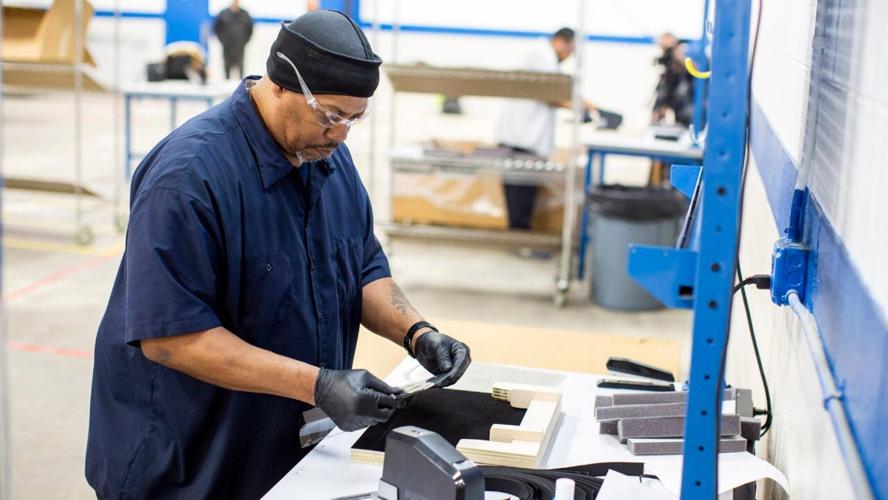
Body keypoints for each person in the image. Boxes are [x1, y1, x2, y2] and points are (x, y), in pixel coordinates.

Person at [85, 10, 471, 499]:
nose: (341, 134)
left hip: (280, 451)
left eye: (354, 118)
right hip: (187, 461)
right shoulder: (188, 178)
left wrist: (417, 334)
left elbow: (362, 267)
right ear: (282, 84)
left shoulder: (327, 156)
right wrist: (318, 385)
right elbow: (171, 338)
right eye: (330, 115)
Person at [494, 27, 597, 230]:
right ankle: (519, 238)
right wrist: (585, 108)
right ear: (560, 42)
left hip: (525, 138)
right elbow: (553, 93)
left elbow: (562, 91)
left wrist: (592, 108)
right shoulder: (540, 55)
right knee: (519, 196)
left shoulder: (545, 57)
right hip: (521, 139)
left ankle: (520, 236)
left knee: (522, 196)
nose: (569, 55)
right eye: (570, 50)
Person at [651, 32, 694, 126]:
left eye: (670, 49)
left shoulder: (689, 62)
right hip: (680, 116)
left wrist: (681, 58)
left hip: (690, 114)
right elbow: (663, 96)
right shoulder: (669, 71)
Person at [214, 0, 254, 80]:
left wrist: (244, 41)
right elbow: (217, 28)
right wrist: (223, 40)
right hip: (227, 46)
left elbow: (250, 29)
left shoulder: (245, 14)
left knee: (240, 66)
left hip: (240, 46)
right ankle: (226, 81)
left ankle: (241, 82)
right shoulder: (223, 14)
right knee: (226, 66)